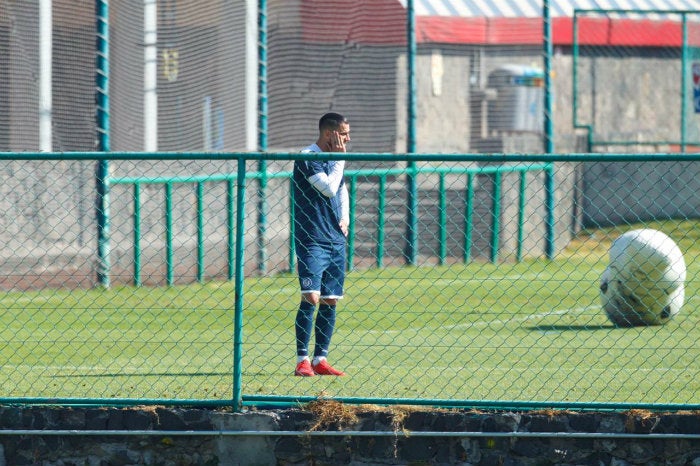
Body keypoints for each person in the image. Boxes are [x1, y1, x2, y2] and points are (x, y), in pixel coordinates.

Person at [292, 112, 351, 377]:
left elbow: (341, 189)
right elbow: (327, 187)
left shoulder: (335, 160)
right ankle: (302, 360)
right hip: (312, 238)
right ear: (330, 134)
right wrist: (339, 159)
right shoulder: (308, 156)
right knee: (311, 297)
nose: (348, 139)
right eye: (344, 133)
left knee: (330, 300)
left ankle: (320, 359)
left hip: (336, 239)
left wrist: (345, 218)